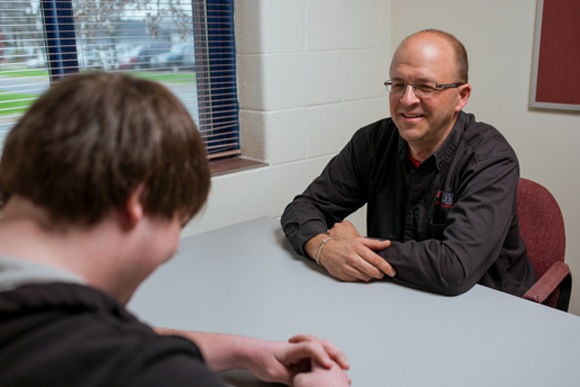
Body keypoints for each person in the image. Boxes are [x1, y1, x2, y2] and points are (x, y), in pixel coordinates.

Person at [0, 72, 351, 386]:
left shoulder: (33, 316)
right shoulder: (133, 370)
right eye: (175, 223)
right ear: (136, 201)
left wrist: (243, 351)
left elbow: (110, 333)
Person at [281, 29, 536, 297]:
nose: (407, 99)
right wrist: (322, 247)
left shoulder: (491, 159)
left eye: (426, 86)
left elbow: (454, 267)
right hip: (400, 295)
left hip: (491, 307)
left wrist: (358, 246)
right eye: (399, 84)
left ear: (461, 96)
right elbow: (303, 207)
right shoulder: (373, 142)